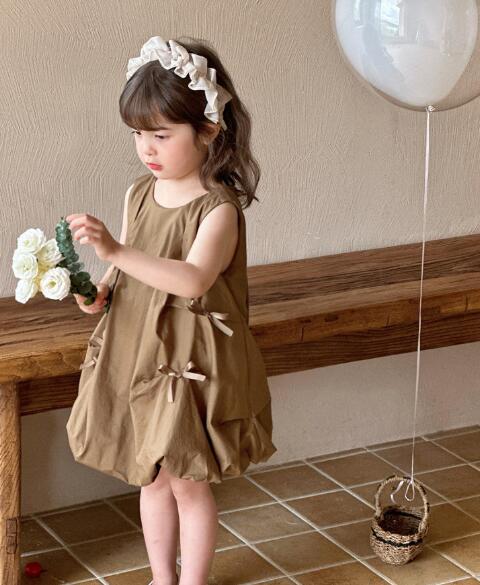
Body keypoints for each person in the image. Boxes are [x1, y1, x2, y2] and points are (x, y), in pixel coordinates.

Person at [65, 35, 277, 585]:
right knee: (151, 477)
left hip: (189, 363)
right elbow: (124, 273)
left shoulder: (217, 209)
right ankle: (162, 577)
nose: (147, 149)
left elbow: (192, 279)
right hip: (139, 351)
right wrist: (96, 290)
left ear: (208, 129)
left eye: (161, 135)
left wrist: (115, 251)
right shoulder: (140, 193)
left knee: (187, 479)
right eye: (138, 134)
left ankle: (193, 582)